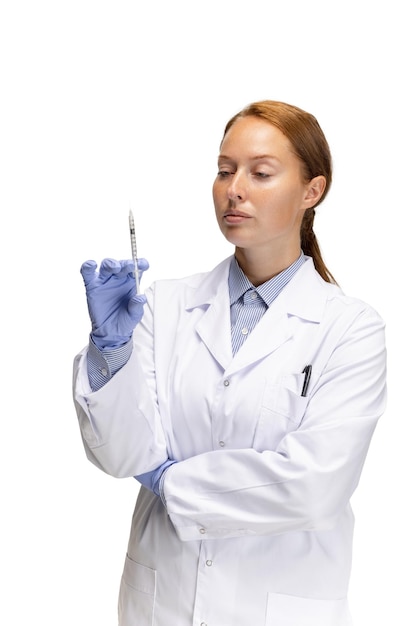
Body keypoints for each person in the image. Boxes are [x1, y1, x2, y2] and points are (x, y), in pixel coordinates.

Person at [73, 100, 387, 626]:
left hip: (282, 604)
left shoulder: (350, 328)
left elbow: (314, 487)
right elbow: (121, 455)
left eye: (260, 173)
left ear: (313, 191)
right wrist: (110, 349)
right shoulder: (164, 305)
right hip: (161, 600)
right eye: (224, 170)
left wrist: (171, 481)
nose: (234, 188)